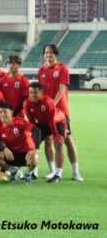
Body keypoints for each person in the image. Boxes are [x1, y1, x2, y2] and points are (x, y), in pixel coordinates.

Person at [38, 44, 83, 182]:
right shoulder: (42, 70)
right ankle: (52, 171)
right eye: (46, 53)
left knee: (66, 141)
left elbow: (62, 88)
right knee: (48, 140)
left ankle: (76, 172)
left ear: (56, 55)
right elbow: (41, 91)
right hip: (47, 112)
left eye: (51, 53)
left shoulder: (62, 68)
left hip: (61, 113)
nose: (48, 55)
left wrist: (52, 103)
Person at [24, 82, 74, 182]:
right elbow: (32, 123)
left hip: (58, 121)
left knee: (58, 145)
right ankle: (33, 172)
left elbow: (51, 121)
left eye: (35, 92)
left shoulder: (48, 102)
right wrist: (33, 138)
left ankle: (58, 174)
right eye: (31, 93)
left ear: (41, 92)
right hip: (43, 123)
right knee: (32, 144)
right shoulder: (27, 103)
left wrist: (56, 135)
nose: (33, 95)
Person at [0, 103, 39, 185]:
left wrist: (35, 149)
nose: (2, 114)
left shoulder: (20, 122)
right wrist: (4, 149)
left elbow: (36, 131)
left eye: (5, 112)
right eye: (0, 112)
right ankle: (13, 171)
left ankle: (28, 174)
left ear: (11, 113)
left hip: (25, 155)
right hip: (11, 155)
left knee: (35, 157)